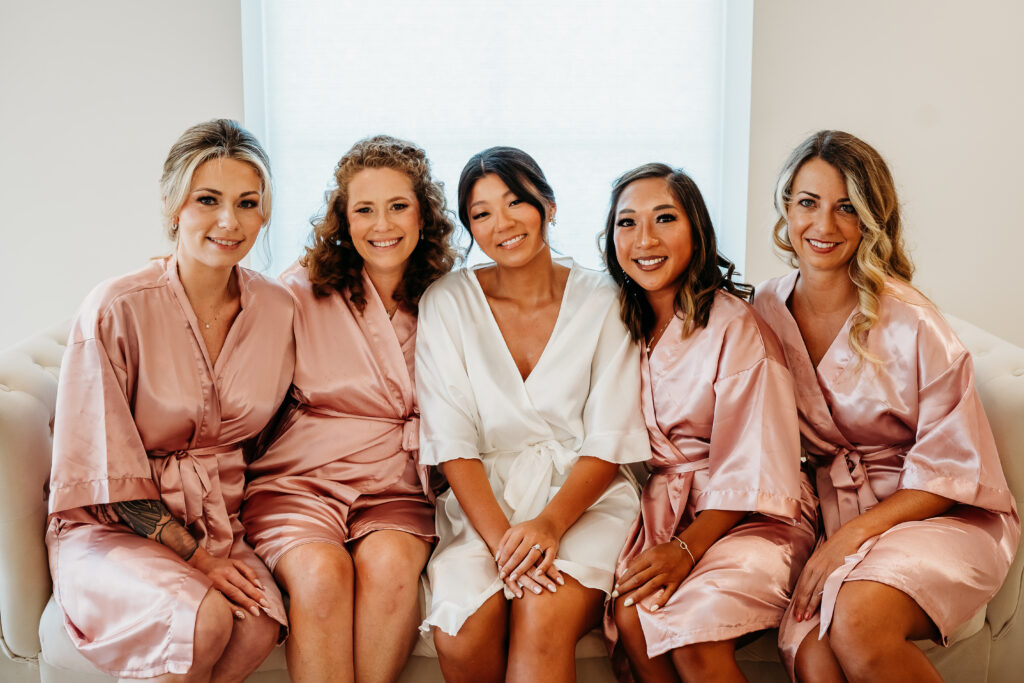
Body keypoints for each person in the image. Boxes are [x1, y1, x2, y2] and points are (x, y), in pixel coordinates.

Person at [752, 130, 1020, 682]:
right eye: (808, 203)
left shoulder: (913, 322)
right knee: (813, 652)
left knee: (855, 618)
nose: (823, 227)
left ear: (872, 219)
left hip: (940, 514)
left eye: (847, 208)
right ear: (786, 207)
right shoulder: (764, 308)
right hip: (836, 514)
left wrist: (847, 541)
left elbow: (954, 470)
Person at [45, 119, 293, 682]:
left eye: (247, 203)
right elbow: (103, 473)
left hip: (220, 523)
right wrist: (199, 558)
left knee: (255, 620)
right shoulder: (116, 308)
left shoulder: (278, 309)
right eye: (208, 200)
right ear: (173, 205)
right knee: (202, 617)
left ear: (265, 213)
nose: (229, 221)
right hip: (111, 526)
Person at [415, 146, 651, 683]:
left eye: (516, 201)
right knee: (461, 632)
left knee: (542, 616)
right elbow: (452, 441)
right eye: (481, 213)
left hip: (585, 498)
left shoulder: (606, 298)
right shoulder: (446, 302)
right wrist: (504, 543)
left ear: (547, 204)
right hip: (485, 499)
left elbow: (609, 439)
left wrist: (548, 524)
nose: (502, 223)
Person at [241, 135, 457, 683]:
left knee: (388, 568)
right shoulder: (296, 291)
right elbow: (225, 305)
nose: (381, 224)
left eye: (398, 206)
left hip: (398, 486)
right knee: (320, 573)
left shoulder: (453, 298)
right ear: (344, 219)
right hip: (300, 482)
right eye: (364, 209)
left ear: (424, 214)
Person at [603, 163, 817, 682]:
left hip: (757, 518)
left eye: (664, 219)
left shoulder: (735, 326)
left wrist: (683, 550)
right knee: (632, 613)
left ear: (696, 230)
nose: (644, 239)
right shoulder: (617, 323)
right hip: (669, 512)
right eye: (626, 223)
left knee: (694, 632)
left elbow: (756, 466)